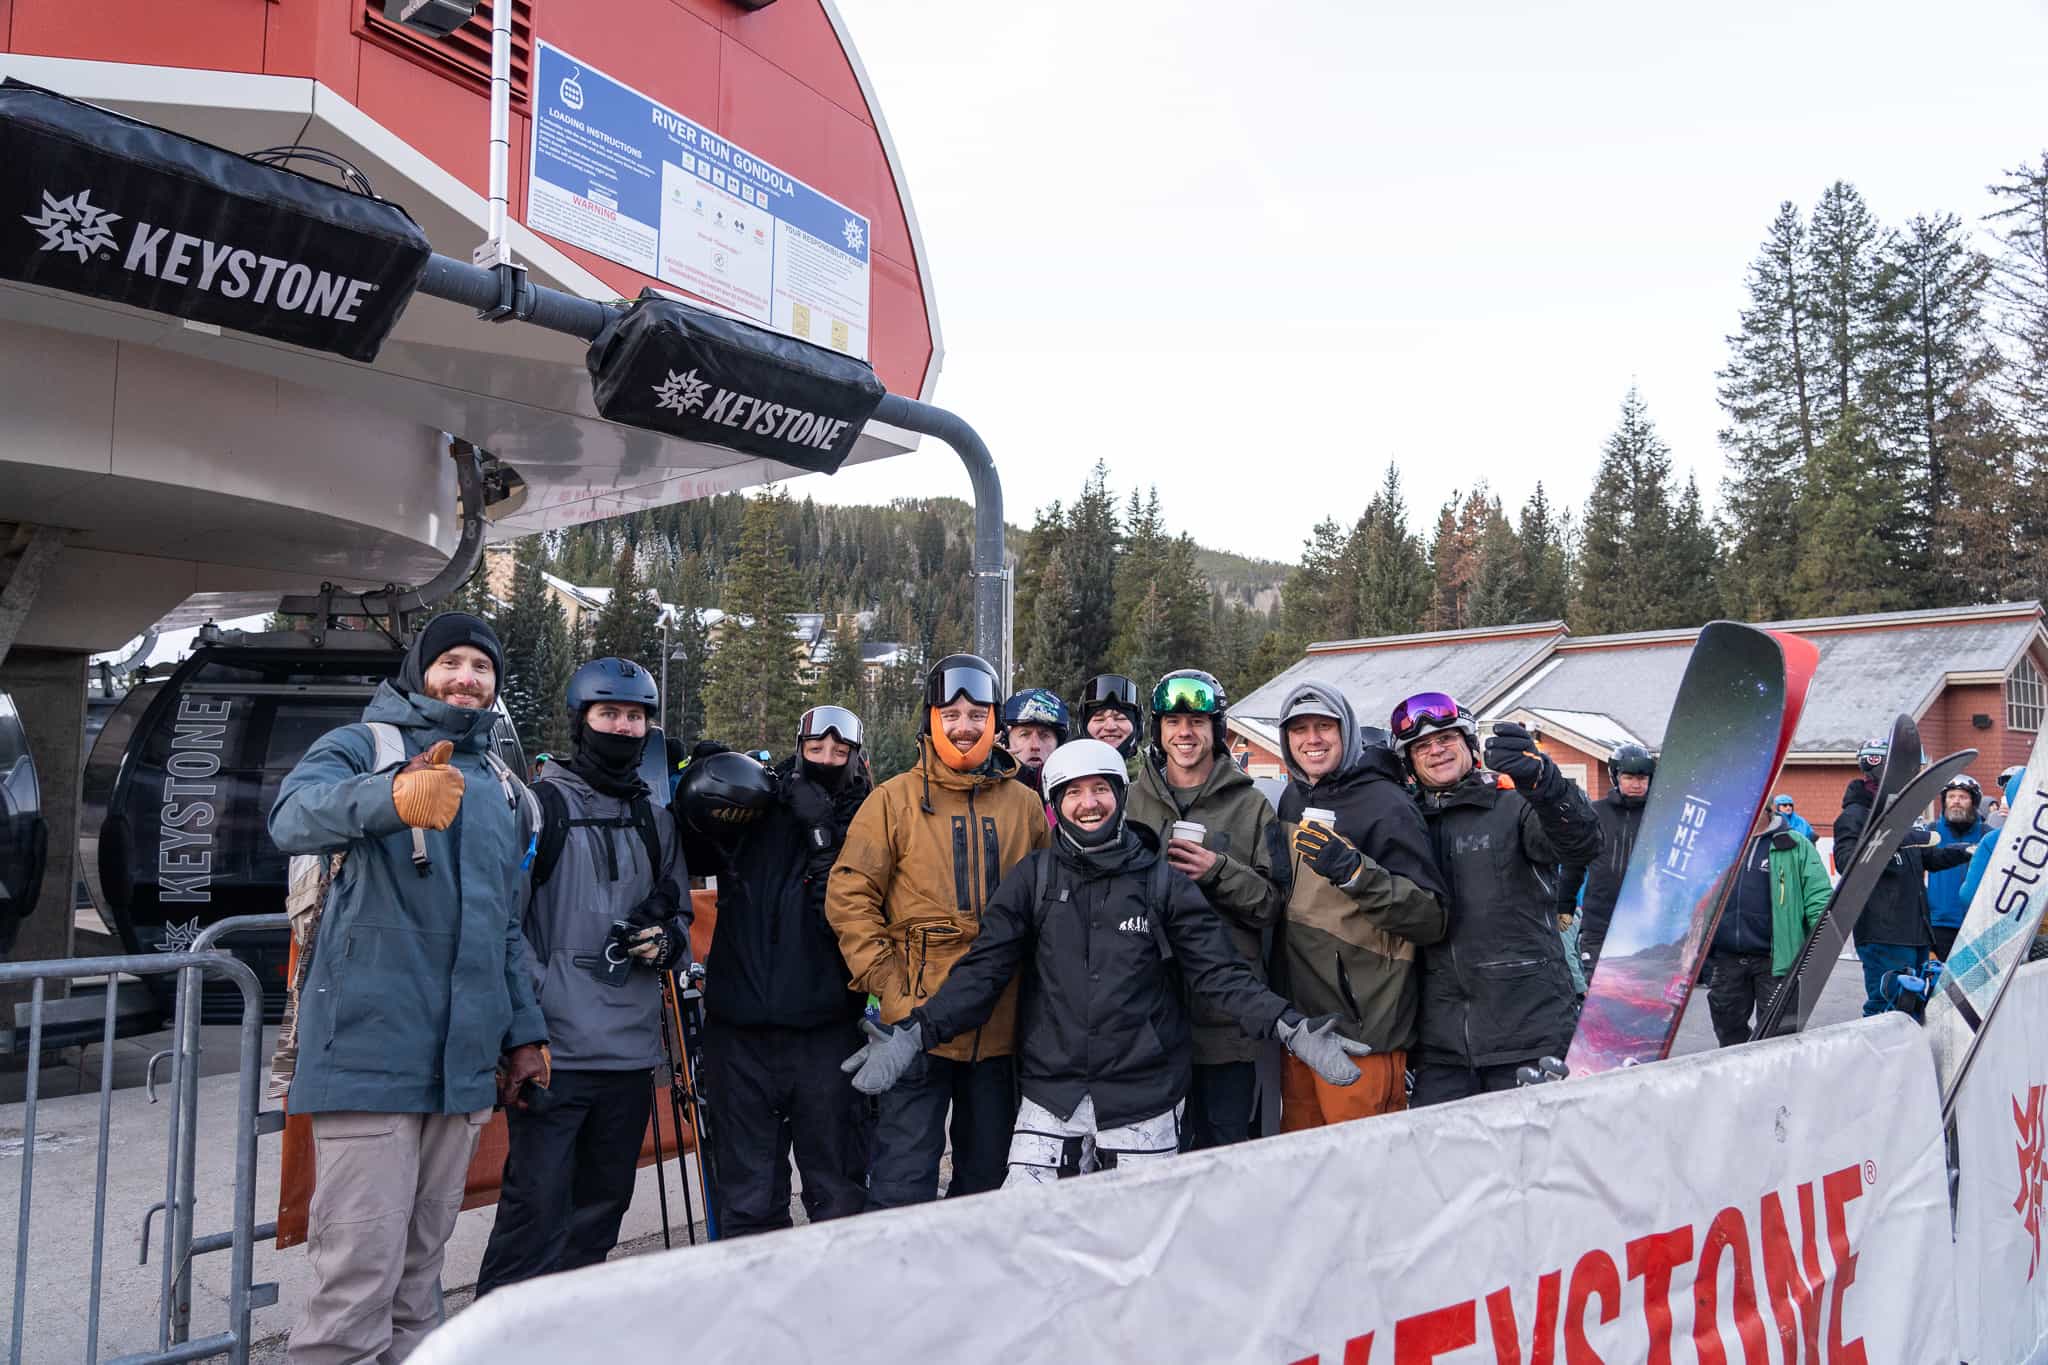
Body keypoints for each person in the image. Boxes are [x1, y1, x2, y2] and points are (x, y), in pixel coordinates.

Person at [839, 739, 1370, 1184]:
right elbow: (982, 972)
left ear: (1119, 796)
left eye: (1099, 789)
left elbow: (1218, 972)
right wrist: (915, 1032)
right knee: (1035, 1249)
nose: (1087, 803)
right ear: (1055, 803)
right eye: (1072, 793)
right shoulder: (1035, 879)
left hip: (1143, 1103)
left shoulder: (1160, 883)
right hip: (1051, 1100)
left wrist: (1291, 1026)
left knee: (1135, 1256)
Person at [269, 613, 547, 1365]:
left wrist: (524, 1033)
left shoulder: (502, 787)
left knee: (421, 1282)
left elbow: (505, 930)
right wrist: (393, 796)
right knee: (355, 1285)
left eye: (481, 667)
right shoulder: (364, 744)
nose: (466, 677)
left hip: (460, 1070)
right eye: (451, 661)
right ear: (420, 671)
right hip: (368, 1054)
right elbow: (290, 815)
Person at [476, 658, 692, 1294]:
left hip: (628, 1055)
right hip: (554, 1054)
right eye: (609, 714)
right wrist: (523, 1027)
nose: (623, 728)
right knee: (533, 1216)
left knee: (599, 1216)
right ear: (582, 721)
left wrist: (667, 940)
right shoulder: (539, 806)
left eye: (635, 717)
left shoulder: (656, 818)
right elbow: (503, 925)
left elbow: (678, 906)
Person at [825, 654, 1050, 1208]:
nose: (965, 726)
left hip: (1000, 1027)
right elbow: (849, 897)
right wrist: (892, 991)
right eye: (951, 713)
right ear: (930, 720)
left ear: (995, 721)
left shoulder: (1023, 805)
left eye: (977, 713)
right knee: (902, 1181)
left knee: (989, 1179)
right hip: (913, 1026)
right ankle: (902, 1288)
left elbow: (1050, 903)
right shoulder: (893, 800)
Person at [678, 706, 872, 1237]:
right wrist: (702, 788)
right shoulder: (764, 804)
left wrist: (821, 836)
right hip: (740, 1028)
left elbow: (842, 916)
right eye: (817, 750)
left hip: (825, 1030)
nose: (828, 760)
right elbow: (695, 849)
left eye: (840, 753)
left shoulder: (867, 815)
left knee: (836, 1192)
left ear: (856, 757)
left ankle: (832, 1307)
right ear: (799, 747)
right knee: (747, 1196)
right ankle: (754, 1305)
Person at [1393, 693, 1600, 1104]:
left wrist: (1546, 785)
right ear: (1410, 763)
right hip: (1441, 1048)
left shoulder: (1514, 808)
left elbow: (1580, 844)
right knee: (1448, 1164)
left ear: (1469, 745)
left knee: (1536, 1161)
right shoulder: (1403, 825)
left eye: (1446, 738)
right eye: (1422, 746)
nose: (1436, 750)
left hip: (1527, 1032)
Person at [1270, 684, 1448, 1127]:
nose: (1312, 739)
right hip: (1304, 1032)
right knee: (1308, 1172)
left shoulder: (1386, 805)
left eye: (1324, 727)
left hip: (1365, 1036)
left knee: (1368, 1180)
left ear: (1345, 731)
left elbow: (1431, 918)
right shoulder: (1295, 797)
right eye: (1299, 729)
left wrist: (1353, 872)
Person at [1124, 669, 1288, 1148]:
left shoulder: (1253, 807)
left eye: (1197, 721)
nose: (1185, 733)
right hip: (1149, 1016)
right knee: (1153, 1153)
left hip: (1226, 1022)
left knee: (1225, 1151)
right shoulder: (1131, 800)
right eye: (1173, 722)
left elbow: (1272, 906)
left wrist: (1217, 869)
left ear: (1216, 729)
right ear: (1158, 730)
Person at [1835, 737, 1972, 1017]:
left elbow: (1926, 859)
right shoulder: (1856, 815)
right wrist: (1895, 839)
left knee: (1914, 1005)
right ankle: (1882, 1060)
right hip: (1883, 930)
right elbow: (1847, 861)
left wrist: (1963, 851)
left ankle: (1909, 1058)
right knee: (1888, 1003)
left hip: (1916, 929)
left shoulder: (1900, 814)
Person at [1702, 809, 1831, 1045]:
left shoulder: (1794, 844)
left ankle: (1775, 1079)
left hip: (1776, 960)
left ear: (1767, 805)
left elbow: (1819, 897)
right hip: (1726, 957)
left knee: (1778, 1036)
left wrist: (1821, 946)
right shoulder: (1720, 844)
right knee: (1727, 1028)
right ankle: (1739, 1074)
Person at [1556, 743, 1655, 981]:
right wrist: (1564, 904)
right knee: (1599, 995)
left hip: (1645, 925)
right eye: (1629, 777)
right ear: (1616, 777)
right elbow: (1574, 862)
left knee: (1637, 997)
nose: (1636, 783)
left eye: (1642, 777)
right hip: (1600, 921)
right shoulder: (1595, 813)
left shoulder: (1660, 814)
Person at [1926, 773, 1988, 960]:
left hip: (1976, 925)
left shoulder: (1988, 836)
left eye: (1963, 797)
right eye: (1951, 797)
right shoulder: (1931, 833)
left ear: (1974, 802)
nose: (1956, 802)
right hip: (1939, 924)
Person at [1000, 688, 1069, 797]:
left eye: (1044, 736)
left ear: (1058, 744)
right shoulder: (987, 788)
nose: (1035, 746)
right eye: (1024, 735)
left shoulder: (1072, 790)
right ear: (1006, 740)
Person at [1074, 674, 1143, 763]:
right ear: (1083, 726)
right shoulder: (1066, 769)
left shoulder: (1155, 771)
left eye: (1120, 718)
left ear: (1137, 725)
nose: (1110, 727)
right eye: (1099, 719)